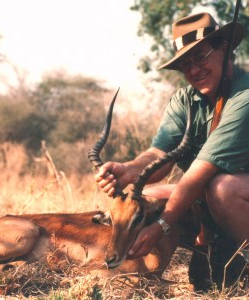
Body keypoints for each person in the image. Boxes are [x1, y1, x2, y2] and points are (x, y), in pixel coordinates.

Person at [95, 12, 249, 283]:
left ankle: (240, 261)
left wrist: (162, 225)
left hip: (232, 195)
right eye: (185, 65)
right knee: (142, 199)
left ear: (224, 47)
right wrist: (128, 170)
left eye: (200, 57)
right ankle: (213, 249)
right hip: (209, 197)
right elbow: (158, 156)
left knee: (222, 189)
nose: (193, 71)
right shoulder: (185, 100)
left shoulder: (243, 96)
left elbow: (200, 173)